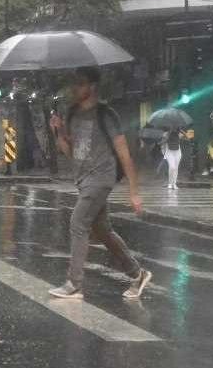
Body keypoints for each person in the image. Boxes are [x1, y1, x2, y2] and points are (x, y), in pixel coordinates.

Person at [47, 67, 152, 300]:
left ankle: (74, 284)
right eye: (74, 83)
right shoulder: (72, 113)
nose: (75, 88)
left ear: (92, 86)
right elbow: (71, 152)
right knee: (103, 231)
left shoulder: (106, 115)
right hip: (83, 179)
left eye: (80, 83)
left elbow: (124, 154)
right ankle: (138, 274)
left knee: (78, 223)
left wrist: (134, 192)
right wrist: (58, 131)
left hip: (101, 179)